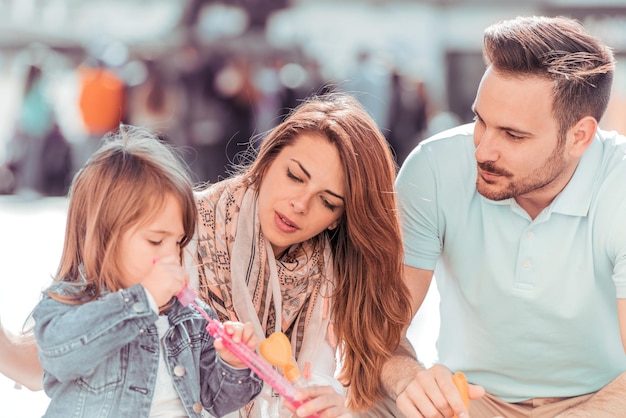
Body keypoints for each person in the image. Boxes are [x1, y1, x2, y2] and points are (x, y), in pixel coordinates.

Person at [0, 93, 413, 417]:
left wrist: (237, 364)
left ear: (341, 217)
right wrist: (141, 300)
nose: (300, 205)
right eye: (293, 176)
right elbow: (55, 351)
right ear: (267, 161)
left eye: (327, 201)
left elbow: (217, 394)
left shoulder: (330, 272)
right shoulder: (179, 227)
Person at [382, 15, 626, 418]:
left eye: (513, 135)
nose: (482, 151)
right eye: (480, 120)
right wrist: (407, 376)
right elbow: (377, 330)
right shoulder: (434, 166)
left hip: (602, 402)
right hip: (469, 402)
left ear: (578, 136)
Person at [31, 125, 263, 417]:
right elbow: (60, 357)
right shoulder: (69, 304)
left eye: (178, 242)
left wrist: (233, 363)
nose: (171, 255)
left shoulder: (188, 318)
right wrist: (143, 300)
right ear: (103, 237)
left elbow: (216, 401)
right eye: (156, 240)